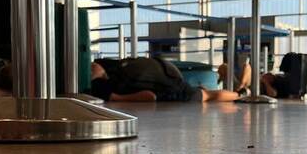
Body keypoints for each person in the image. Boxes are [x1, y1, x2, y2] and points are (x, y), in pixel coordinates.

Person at [88, 56, 240, 103]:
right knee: (205, 94)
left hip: (167, 86)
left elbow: (150, 96)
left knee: (207, 96)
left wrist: (118, 99)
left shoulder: (100, 86)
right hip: (166, 70)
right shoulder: (108, 64)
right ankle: (239, 93)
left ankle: (240, 94)